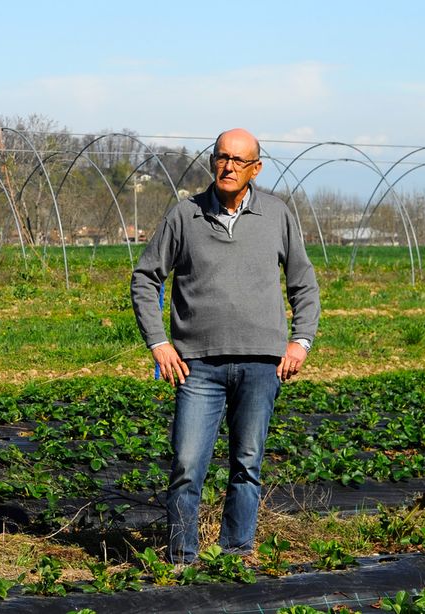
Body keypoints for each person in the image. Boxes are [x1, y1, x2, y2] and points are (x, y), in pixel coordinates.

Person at [130, 128, 321, 564]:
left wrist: (300, 342)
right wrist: (159, 342)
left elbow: (303, 283)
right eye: (222, 157)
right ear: (212, 162)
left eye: (239, 160)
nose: (229, 166)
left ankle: (236, 554)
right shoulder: (185, 215)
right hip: (197, 366)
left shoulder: (276, 215)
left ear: (256, 167)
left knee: (247, 465)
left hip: (260, 364)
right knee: (186, 465)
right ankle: (183, 558)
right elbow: (145, 278)